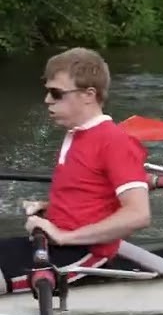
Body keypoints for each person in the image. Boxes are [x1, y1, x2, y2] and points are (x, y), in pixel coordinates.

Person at [0, 48, 151, 293]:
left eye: (56, 93)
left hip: (82, 255)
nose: (47, 100)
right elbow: (90, 195)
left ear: (88, 95)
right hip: (53, 246)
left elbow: (138, 214)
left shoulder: (114, 141)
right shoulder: (76, 134)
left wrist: (63, 236)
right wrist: (51, 209)